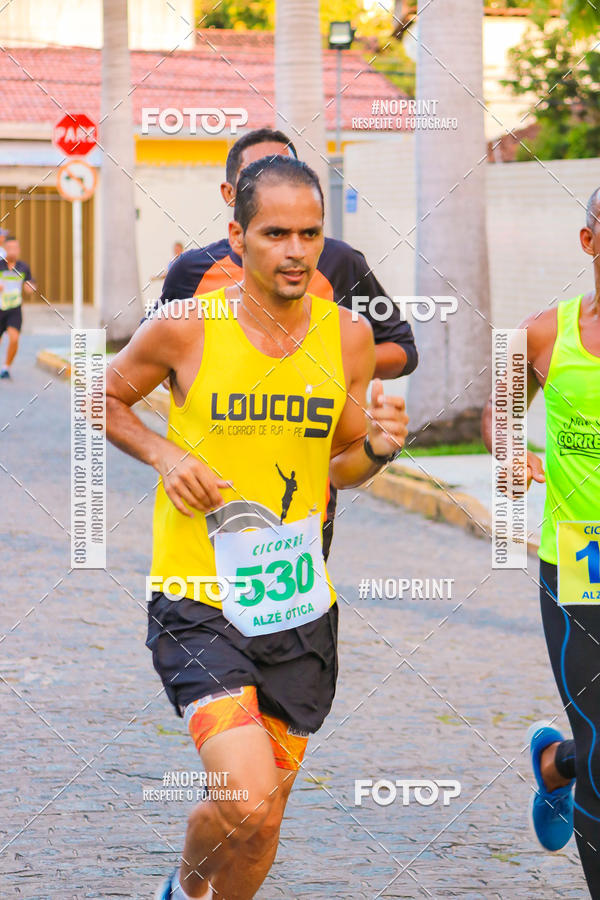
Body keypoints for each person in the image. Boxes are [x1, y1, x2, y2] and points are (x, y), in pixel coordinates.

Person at [106, 157, 409, 900]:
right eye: (276, 233)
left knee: (264, 820)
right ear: (238, 237)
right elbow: (104, 395)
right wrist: (163, 450)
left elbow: (337, 463)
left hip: (298, 606)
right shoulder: (184, 328)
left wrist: (375, 446)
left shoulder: (346, 339)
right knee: (243, 796)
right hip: (197, 597)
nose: (296, 250)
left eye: (310, 233)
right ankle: (182, 889)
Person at [158, 127, 418, 560]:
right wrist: (165, 451)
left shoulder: (337, 262)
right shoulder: (191, 271)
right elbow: (154, 367)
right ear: (230, 194)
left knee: (293, 594)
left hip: (305, 467)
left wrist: (331, 366)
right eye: (255, 177)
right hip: (213, 482)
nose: (295, 250)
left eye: (286, 171)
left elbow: (402, 349)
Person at [482, 186, 600, 896]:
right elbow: (500, 414)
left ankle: (557, 763)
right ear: (589, 242)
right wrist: (508, 454)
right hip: (583, 557)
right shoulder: (541, 334)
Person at [0, 236, 35, 379]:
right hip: (0, 306)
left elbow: (30, 284)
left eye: (16, 248)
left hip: (14, 308)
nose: (13, 251)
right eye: (10, 248)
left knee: (14, 339)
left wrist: (30, 288)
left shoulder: (23, 267)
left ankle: (6, 367)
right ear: (5, 250)